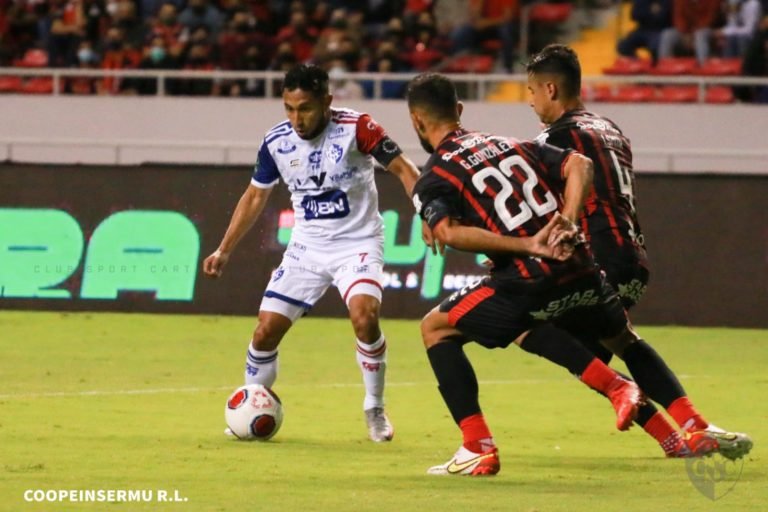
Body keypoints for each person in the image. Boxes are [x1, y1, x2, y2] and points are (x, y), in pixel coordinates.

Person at [407, 73, 647, 476]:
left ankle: (477, 446)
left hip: (530, 279)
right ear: (459, 110)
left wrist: (528, 245)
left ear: (417, 120)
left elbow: (448, 233)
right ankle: (672, 425)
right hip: (582, 268)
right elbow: (580, 165)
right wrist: (567, 222)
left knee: (435, 329)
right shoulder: (511, 143)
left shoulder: (436, 175)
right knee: (534, 327)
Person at [525, 44, 753, 459]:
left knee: (519, 322)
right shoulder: (611, 129)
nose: (530, 99)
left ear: (552, 89)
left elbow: (546, 205)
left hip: (594, 255)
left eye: (532, 90)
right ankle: (690, 428)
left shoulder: (554, 139)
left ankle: (678, 427)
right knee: (613, 342)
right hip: (633, 255)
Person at [203, 64, 421, 442]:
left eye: (304, 108)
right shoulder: (276, 141)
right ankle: (254, 402)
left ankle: (374, 407)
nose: (296, 118)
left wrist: (428, 212)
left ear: (326, 102)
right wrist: (224, 249)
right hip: (307, 248)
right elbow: (255, 195)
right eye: (288, 108)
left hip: (358, 243)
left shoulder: (358, 128)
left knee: (365, 317)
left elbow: (403, 168)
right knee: (265, 331)